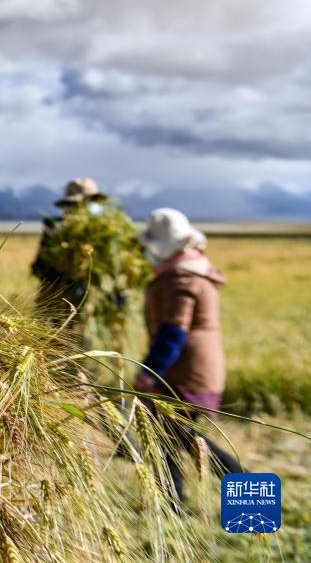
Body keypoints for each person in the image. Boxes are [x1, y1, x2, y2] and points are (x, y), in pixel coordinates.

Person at [134, 207, 242, 506]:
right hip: (191, 369)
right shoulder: (194, 270)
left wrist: (149, 371)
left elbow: (173, 332)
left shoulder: (180, 279)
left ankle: (244, 488)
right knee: (173, 435)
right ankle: (173, 503)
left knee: (178, 437)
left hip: (184, 372)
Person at [31, 177, 110, 322]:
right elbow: (39, 267)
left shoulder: (102, 230)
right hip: (56, 307)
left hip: (88, 309)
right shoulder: (54, 230)